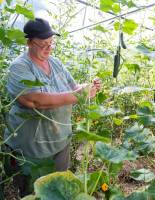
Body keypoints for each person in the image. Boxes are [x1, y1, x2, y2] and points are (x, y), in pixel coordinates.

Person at [4, 18, 100, 197]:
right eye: (43, 44)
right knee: (34, 193)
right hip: (32, 150)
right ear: (29, 42)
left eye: (51, 43)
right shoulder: (19, 67)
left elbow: (73, 88)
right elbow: (35, 100)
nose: (49, 48)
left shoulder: (55, 63)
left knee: (58, 189)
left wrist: (88, 87)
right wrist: (79, 95)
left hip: (59, 141)